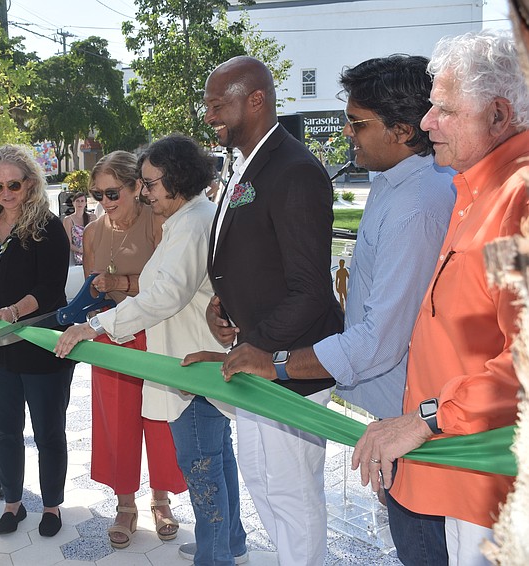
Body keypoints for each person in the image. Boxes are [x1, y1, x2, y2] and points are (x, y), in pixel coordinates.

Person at [191, 55, 457, 564]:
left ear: (403, 129)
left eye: (357, 123)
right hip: (365, 389)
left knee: (404, 536)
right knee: (275, 490)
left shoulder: (413, 203)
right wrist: (230, 309)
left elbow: (364, 326)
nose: (346, 134)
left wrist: (273, 357)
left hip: (396, 397)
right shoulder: (390, 180)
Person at [353, 30, 529, 564]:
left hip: (492, 484)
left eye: (444, 109)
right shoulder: (477, 188)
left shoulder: (517, 198)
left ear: (498, 116)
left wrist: (426, 419)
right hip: (461, 468)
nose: (427, 123)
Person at [56, 134, 247, 566]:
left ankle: (216, 558)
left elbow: (163, 296)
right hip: (192, 364)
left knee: (204, 472)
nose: (144, 193)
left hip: (190, 368)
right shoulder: (188, 219)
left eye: (150, 184)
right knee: (217, 461)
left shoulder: (192, 223)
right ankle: (230, 543)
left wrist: (96, 324)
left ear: (178, 180)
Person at [185, 56, 344, 566]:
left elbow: (310, 290)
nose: (209, 116)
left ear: (256, 100)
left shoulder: (295, 170)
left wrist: (259, 346)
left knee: (292, 493)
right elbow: (251, 256)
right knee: (261, 479)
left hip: (291, 365)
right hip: (254, 353)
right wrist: (222, 306)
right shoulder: (243, 165)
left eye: (217, 105)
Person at [0, 144, 74, 537]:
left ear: (31, 184)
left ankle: (52, 507)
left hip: (39, 345)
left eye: (14, 185)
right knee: (3, 430)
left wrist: (13, 311)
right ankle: (13, 503)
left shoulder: (47, 227)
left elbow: (50, 288)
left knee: (47, 431)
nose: (5, 193)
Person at [77, 151, 183, 549]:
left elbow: (167, 287)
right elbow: (93, 290)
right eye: (97, 194)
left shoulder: (158, 223)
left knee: (159, 419)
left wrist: (118, 281)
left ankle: (161, 499)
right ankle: (125, 504)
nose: (104, 202)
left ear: (137, 187)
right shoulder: (91, 232)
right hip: (108, 336)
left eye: (112, 192)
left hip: (154, 334)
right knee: (115, 424)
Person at [62, 191, 97, 265]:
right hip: (78, 254)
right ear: (73, 203)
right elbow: (68, 242)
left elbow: (97, 237)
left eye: (82, 201)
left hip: (93, 252)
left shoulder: (92, 217)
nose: (80, 203)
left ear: (85, 203)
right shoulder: (68, 220)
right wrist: (79, 250)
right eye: (77, 201)